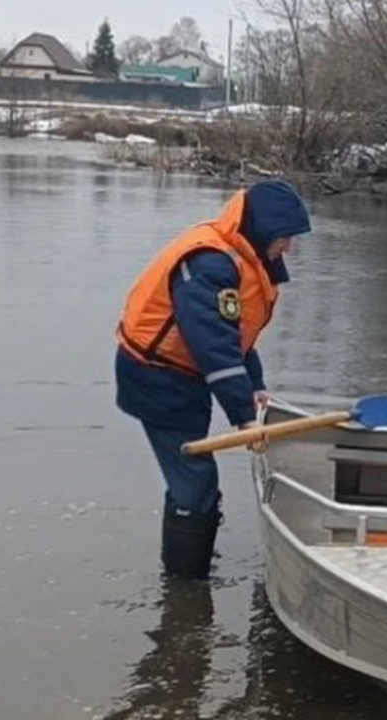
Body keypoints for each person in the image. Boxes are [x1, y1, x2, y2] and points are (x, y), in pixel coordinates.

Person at [114, 180, 311, 580]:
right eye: (286, 237)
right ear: (265, 231)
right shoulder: (210, 264)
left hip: (183, 378)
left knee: (197, 478)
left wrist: (254, 384)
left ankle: (191, 560)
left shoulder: (242, 256)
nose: (288, 248)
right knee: (195, 481)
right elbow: (213, 346)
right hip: (156, 378)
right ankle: (185, 586)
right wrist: (243, 419)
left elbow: (236, 335)